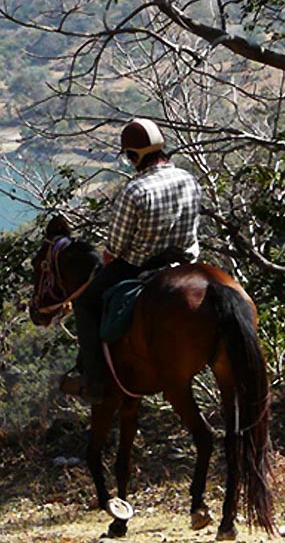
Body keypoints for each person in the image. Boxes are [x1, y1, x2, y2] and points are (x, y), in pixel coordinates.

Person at [62, 118, 202, 403]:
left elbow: (114, 248)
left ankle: (93, 379)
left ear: (133, 155)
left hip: (140, 266)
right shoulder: (189, 179)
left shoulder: (135, 190)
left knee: (84, 302)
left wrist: (108, 262)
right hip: (185, 264)